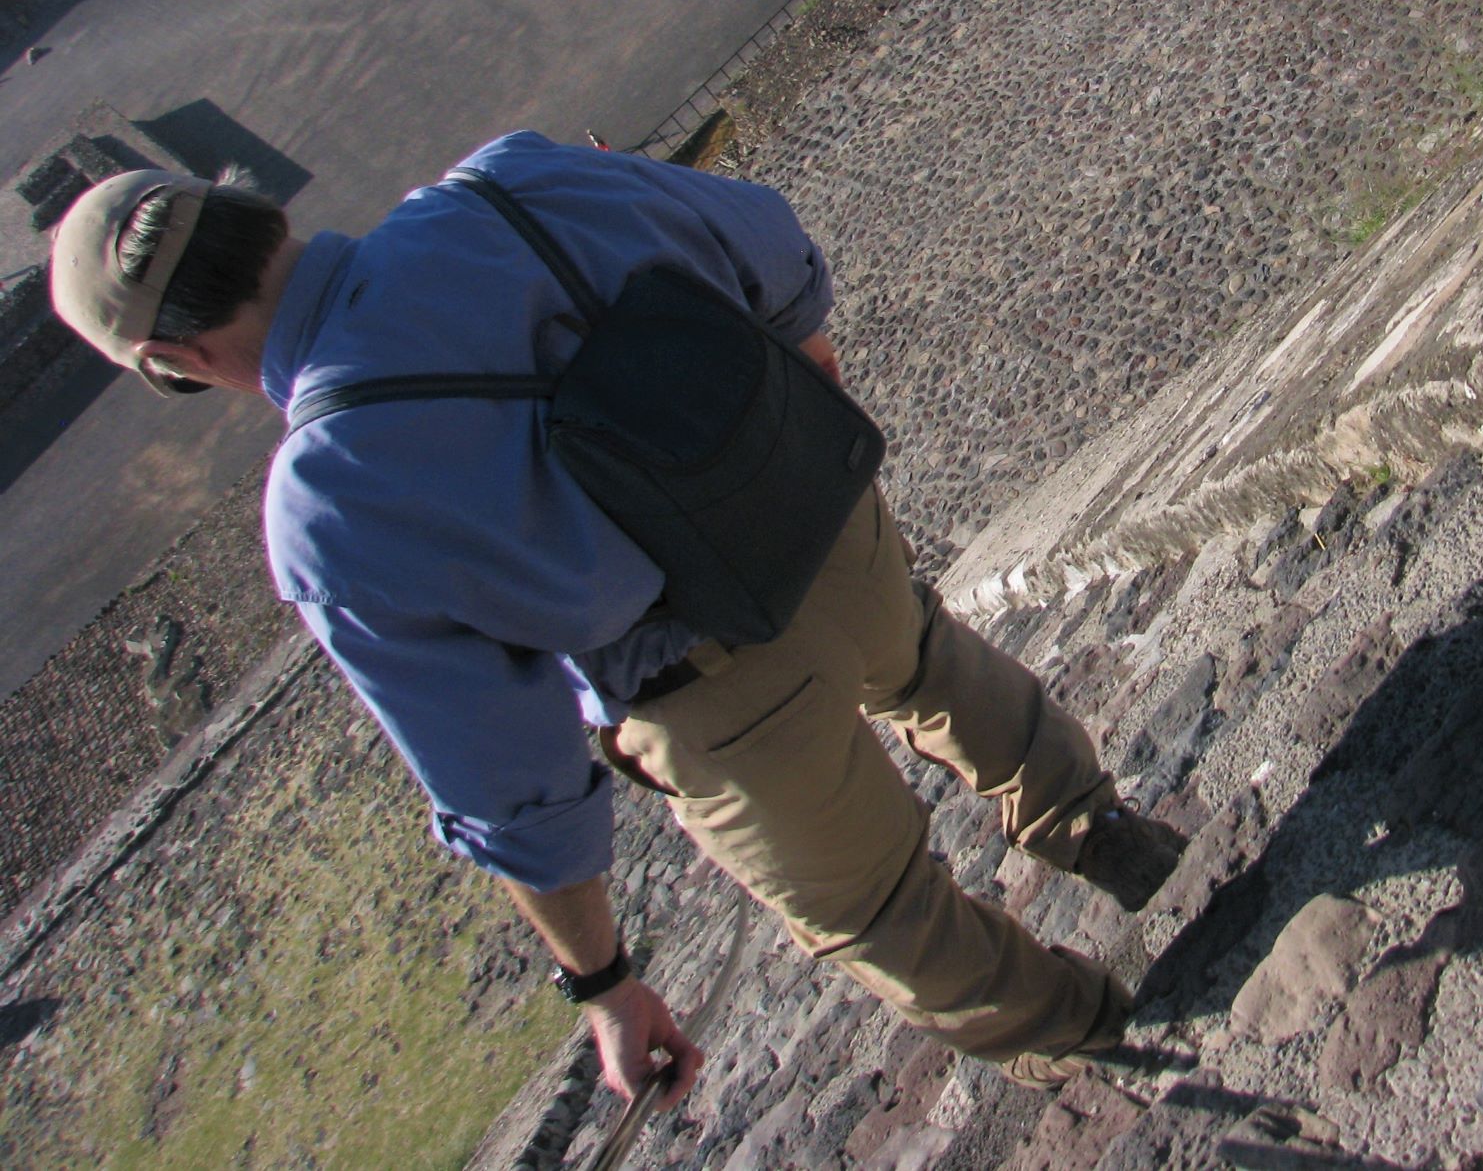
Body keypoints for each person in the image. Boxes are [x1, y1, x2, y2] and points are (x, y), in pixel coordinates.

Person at [47, 137, 1187, 1103]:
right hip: (817, 510)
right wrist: (810, 414)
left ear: (174, 362)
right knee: (929, 661)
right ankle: (1105, 834)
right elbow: (767, 246)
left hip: (712, 689)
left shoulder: (324, 507)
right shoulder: (508, 178)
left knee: (883, 910)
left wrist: (602, 982)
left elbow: (510, 781)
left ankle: (1127, 1035)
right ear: (253, 215)